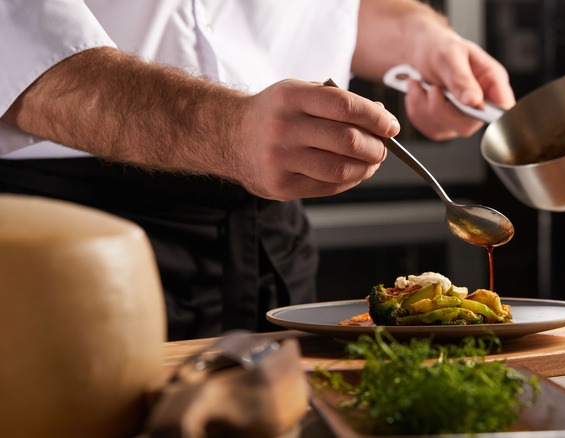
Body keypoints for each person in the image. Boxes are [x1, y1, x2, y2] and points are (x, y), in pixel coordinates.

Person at [0, 0, 515, 340]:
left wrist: (420, 41)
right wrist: (223, 130)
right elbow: (17, 51)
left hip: (274, 236)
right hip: (69, 239)